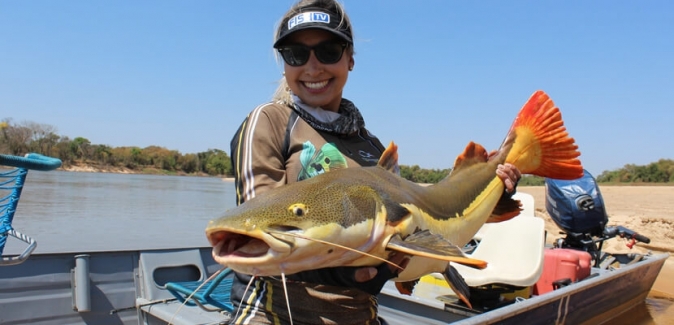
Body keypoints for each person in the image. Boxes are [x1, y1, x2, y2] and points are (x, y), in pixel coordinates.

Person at [228, 1, 521, 324]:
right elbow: (257, 227)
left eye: (328, 51)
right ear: (283, 64)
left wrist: (496, 192)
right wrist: (345, 273)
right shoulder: (269, 121)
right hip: (273, 314)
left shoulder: (370, 147)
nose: (313, 67)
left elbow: (415, 234)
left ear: (350, 58)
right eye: (296, 54)